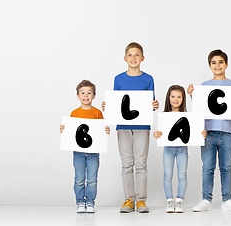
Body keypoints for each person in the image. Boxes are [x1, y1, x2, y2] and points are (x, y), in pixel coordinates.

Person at [103, 42, 159, 213]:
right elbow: (116, 104)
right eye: (130, 55)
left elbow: (150, 104)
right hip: (123, 127)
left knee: (141, 163)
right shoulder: (118, 79)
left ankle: (141, 200)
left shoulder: (148, 79)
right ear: (125, 58)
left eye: (137, 55)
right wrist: (108, 106)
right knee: (127, 163)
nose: (133, 58)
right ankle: (128, 200)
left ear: (142, 58)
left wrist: (154, 104)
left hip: (142, 126)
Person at [188, 49, 231, 212]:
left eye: (221, 62)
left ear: (226, 64)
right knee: (207, 167)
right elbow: (200, 108)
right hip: (209, 132)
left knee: (226, 167)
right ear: (209, 65)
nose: (217, 65)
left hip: (227, 132)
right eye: (214, 63)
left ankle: (227, 199)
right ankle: (206, 198)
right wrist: (192, 95)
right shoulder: (205, 85)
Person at [152, 85, 206, 213]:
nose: (175, 99)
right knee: (168, 175)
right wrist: (156, 134)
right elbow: (159, 132)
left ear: (183, 99)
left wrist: (201, 133)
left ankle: (180, 200)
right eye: (173, 96)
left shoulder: (188, 116)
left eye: (179, 97)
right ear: (168, 98)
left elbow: (194, 131)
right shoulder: (164, 115)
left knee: (182, 175)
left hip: (182, 149)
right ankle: (170, 201)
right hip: (168, 149)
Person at [60, 80, 110, 213]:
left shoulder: (97, 113)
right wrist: (64, 129)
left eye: (89, 93)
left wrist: (106, 130)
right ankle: (80, 202)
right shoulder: (74, 113)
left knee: (92, 179)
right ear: (77, 95)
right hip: (78, 152)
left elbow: (101, 129)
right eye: (82, 93)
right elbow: (71, 131)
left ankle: (90, 201)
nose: (86, 95)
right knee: (79, 179)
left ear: (94, 96)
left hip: (94, 152)